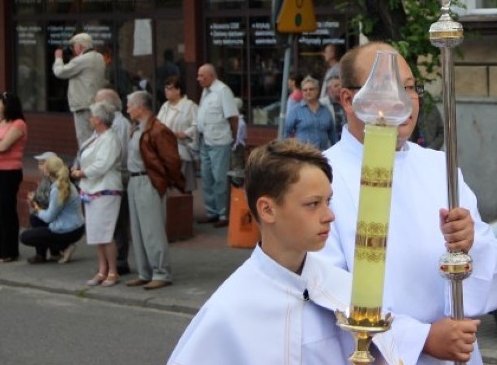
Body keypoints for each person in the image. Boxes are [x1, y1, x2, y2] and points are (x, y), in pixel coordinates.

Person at [320, 42, 497, 364]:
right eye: (387, 88)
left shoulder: (439, 168)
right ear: (348, 99)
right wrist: (421, 339)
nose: (404, 100)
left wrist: (470, 245)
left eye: (410, 87)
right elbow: (324, 287)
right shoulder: (322, 178)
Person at [167, 139, 400, 365]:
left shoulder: (346, 289)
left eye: (328, 201)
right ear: (267, 210)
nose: (329, 215)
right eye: (313, 204)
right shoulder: (228, 312)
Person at [125, 90, 184, 291]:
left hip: (147, 179)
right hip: (136, 180)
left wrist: (164, 180)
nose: (128, 110)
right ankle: (146, 271)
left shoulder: (157, 129)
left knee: (152, 229)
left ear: (141, 107)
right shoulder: (138, 128)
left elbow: (172, 160)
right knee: (139, 230)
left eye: (130, 106)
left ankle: (161, 271)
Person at [71, 102, 123, 287]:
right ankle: (102, 269)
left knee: (105, 232)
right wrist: (76, 167)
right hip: (91, 189)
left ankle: (113, 271)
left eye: (92, 116)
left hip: (105, 189)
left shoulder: (110, 138)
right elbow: (82, 155)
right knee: (95, 232)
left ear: (99, 119)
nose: (90, 119)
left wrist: (82, 172)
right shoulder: (94, 137)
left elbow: (103, 164)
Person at [0, 92, 28, 263]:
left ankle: (9, 251)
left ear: (8, 106)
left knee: (6, 210)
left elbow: (3, 146)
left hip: (8, 172)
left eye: (1, 104)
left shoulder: (18, 124)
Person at [94, 88, 133, 275]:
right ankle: (112, 261)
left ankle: (120, 260)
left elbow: (121, 152)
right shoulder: (105, 125)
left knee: (117, 221)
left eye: (97, 103)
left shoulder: (120, 124)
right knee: (111, 222)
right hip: (104, 178)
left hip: (118, 175)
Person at [195, 63, 238, 228]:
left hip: (220, 141)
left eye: (202, 76)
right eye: (198, 75)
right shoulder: (205, 91)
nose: (198, 79)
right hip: (205, 140)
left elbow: (233, 117)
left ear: (211, 76)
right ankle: (211, 211)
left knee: (219, 178)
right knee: (206, 177)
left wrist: (233, 137)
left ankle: (223, 213)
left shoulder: (223, 91)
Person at [20, 156, 85, 264]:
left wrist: (35, 206)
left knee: (25, 237)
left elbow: (49, 217)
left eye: (43, 166)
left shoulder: (58, 189)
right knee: (35, 219)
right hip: (76, 227)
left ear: (47, 172)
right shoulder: (66, 183)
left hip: (68, 230)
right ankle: (48, 254)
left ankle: (64, 246)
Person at [52, 32, 106, 146]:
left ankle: (86, 162)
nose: (72, 49)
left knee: (84, 138)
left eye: (73, 46)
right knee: (96, 137)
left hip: (83, 105)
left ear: (80, 46)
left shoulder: (82, 60)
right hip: (95, 104)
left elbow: (60, 72)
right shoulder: (99, 57)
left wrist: (58, 58)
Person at [157, 76, 199, 193]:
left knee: (181, 185)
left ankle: (183, 208)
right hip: (165, 151)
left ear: (178, 90)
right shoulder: (165, 106)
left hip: (181, 150)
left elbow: (198, 126)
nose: (166, 91)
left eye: (170, 89)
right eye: (165, 89)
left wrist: (184, 133)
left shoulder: (190, 106)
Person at [285, 76, 337, 150]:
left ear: (317, 90)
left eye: (311, 89)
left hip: (322, 156)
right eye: (305, 90)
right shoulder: (295, 110)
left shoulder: (326, 110)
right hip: (303, 156)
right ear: (302, 92)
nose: (308, 92)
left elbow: (333, 136)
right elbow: (286, 133)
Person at [320, 74, 346, 141]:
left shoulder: (348, 102)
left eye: (341, 85)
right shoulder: (322, 104)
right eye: (336, 86)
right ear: (329, 89)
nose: (339, 88)